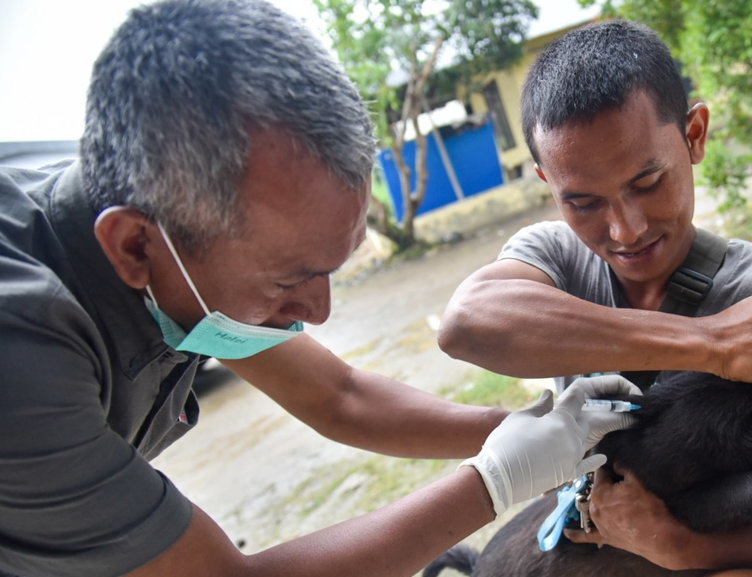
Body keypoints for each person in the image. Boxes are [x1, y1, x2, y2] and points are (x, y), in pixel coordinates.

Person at [0, 2, 643, 576]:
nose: (320, 311)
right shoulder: (18, 353)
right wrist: (495, 481)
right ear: (135, 247)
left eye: (333, 267)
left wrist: (538, 428)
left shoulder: (162, 211)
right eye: (290, 280)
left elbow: (341, 396)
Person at [438, 19, 752, 575]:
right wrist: (709, 343)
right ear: (546, 182)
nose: (625, 230)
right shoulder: (555, 256)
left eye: (648, 183)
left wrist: (683, 547)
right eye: (582, 203)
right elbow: (466, 323)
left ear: (694, 134)